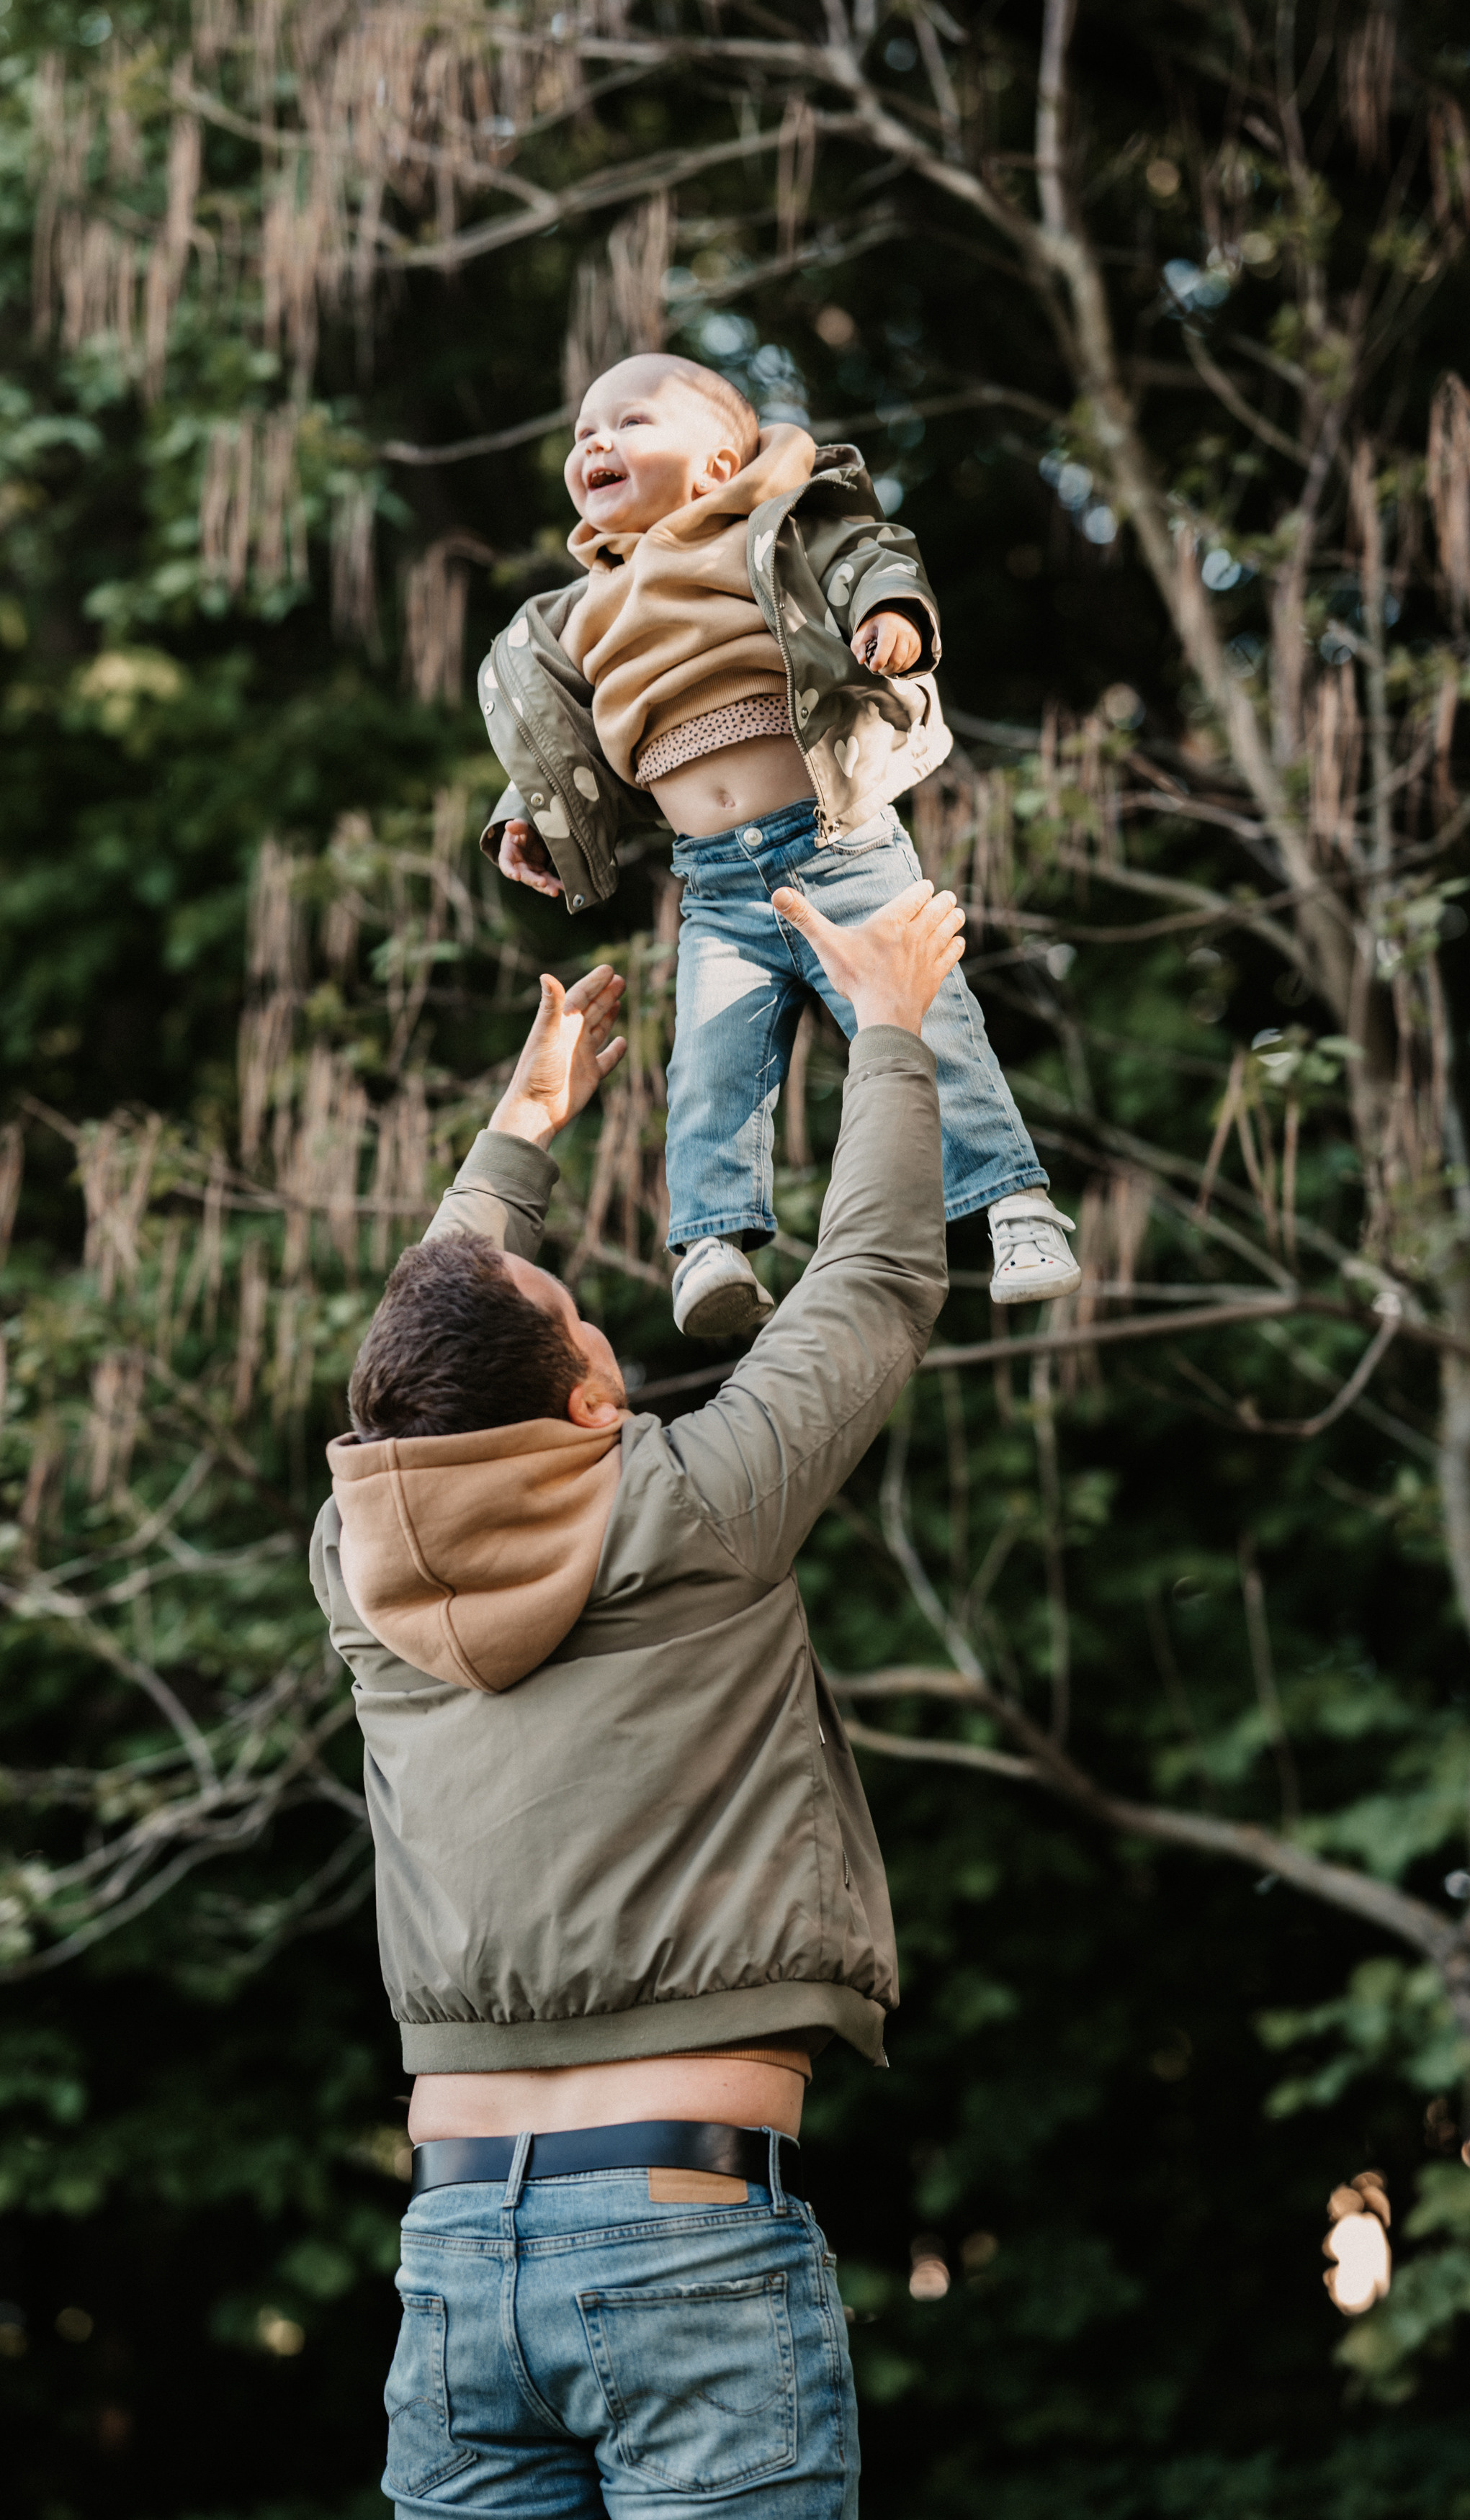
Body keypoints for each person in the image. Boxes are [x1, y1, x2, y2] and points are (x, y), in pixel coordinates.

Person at [310, 874, 964, 2517]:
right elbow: (873, 1279)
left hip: (454, 2255)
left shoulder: (361, 1569)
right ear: (592, 1401)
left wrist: (521, 1133)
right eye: (583, 1322)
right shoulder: (687, 1504)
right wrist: (892, 1025)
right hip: (687, 2239)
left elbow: (429, 1358)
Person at [475, 348, 1078, 1336]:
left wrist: (890, 614)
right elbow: (555, 733)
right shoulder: (581, 612)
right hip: (716, 885)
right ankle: (710, 1247)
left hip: (839, 845)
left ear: (716, 466)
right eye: (584, 431)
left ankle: (1016, 1206)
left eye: (630, 422)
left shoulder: (765, 532)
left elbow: (864, 558)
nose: (596, 440)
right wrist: (523, 817)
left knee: (930, 1030)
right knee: (712, 1063)